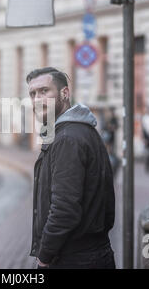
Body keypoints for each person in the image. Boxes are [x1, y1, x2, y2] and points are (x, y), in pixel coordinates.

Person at [26, 67, 116, 269]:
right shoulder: (76, 132)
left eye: (44, 91)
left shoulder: (68, 139)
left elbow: (64, 209)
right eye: (33, 94)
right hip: (88, 254)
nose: (37, 99)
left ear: (64, 93)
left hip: (75, 259)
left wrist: (44, 257)